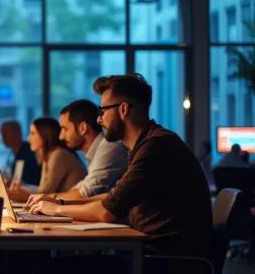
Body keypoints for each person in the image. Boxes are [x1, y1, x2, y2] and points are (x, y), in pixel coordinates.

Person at [28, 74, 213, 273]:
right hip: (150, 253)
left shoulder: (156, 145)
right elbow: (112, 198)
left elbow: (107, 211)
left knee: (50, 269)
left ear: (123, 109)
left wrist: (55, 210)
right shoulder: (145, 144)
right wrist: (61, 203)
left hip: (164, 261)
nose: (99, 119)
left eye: (103, 110)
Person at [24, 99, 127, 202]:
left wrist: (50, 199)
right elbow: (79, 189)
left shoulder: (109, 148)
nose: (61, 136)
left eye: (65, 129)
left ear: (83, 128)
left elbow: (84, 194)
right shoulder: (97, 152)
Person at [7, 117, 87, 202]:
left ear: (45, 135)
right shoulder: (48, 156)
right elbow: (43, 190)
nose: (28, 138)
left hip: (74, 209)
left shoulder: (58, 155)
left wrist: (22, 194)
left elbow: (45, 193)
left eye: (33, 133)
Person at [0, 120, 41, 185]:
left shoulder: (30, 152)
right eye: (2, 135)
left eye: (5, 134)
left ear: (17, 133)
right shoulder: (12, 154)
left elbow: (31, 182)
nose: (3, 138)